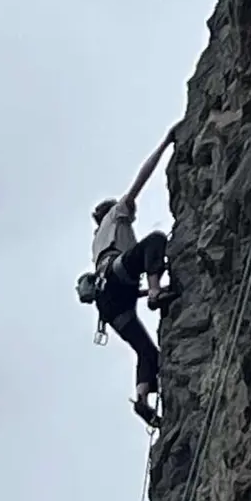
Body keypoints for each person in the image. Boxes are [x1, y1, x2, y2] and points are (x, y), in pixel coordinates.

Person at [86, 131, 175, 427]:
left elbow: (120, 286)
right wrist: (165, 143)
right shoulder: (117, 214)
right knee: (155, 241)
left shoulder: (97, 241)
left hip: (109, 304)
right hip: (115, 276)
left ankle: (142, 399)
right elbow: (142, 178)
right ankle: (155, 293)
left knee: (147, 352)